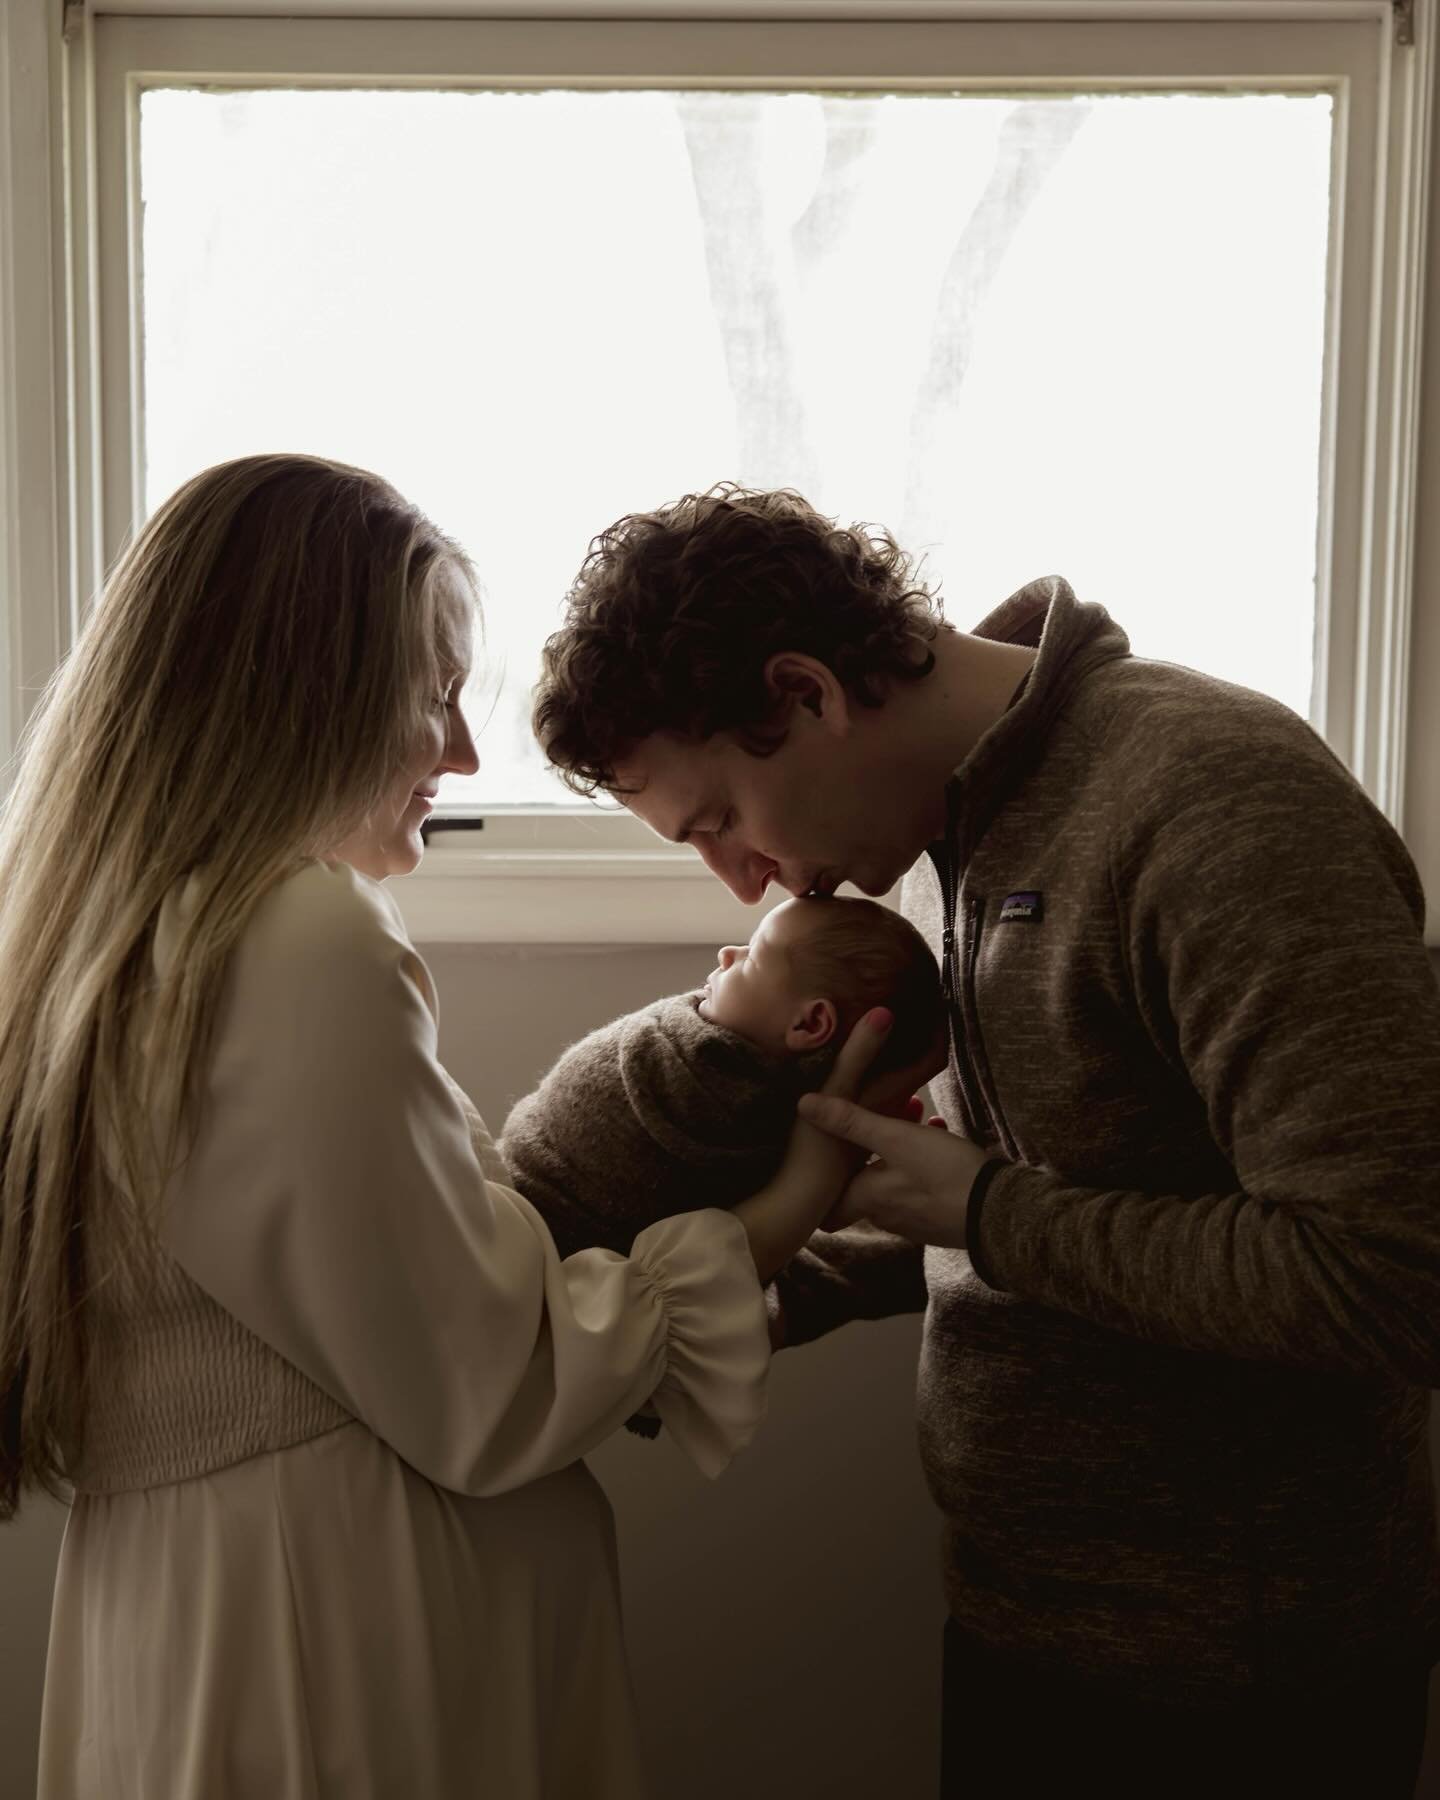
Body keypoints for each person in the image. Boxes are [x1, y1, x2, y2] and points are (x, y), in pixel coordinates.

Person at [0, 454, 899, 1800]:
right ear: (301, 693)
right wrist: (804, 1188)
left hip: (201, 1608)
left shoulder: (105, 946)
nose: (465, 755)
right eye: (433, 695)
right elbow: (493, 1376)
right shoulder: (296, 938)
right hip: (340, 1637)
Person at [532, 482, 1440, 1799]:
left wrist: (988, 1212)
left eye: (720, 816)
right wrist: (759, 1294)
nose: (738, 884)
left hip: (1235, 1677)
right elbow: (1060, 1188)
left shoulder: (1210, 800)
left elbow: (1394, 1271)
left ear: (805, 691)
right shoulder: (924, 841)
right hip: (1028, 1630)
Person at [500, 894, 944, 1264]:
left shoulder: (723, 1091)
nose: (727, 954)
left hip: (552, 1233)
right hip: (527, 1192)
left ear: (809, 1025)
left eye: (753, 956)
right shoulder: (694, 1061)